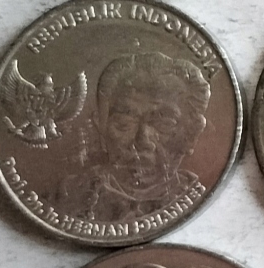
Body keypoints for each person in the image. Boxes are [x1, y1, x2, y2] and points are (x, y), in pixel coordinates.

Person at [57, 51, 211, 224]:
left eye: (164, 125)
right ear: (101, 128)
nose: (142, 140)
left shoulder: (208, 207)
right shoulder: (67, 195)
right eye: (124, 124)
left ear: (191, 135)